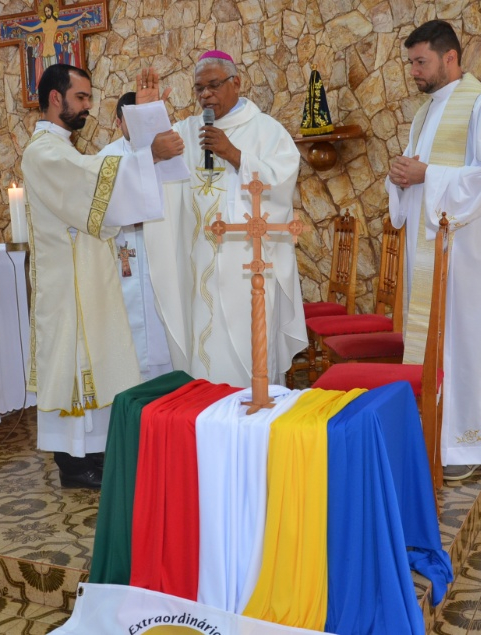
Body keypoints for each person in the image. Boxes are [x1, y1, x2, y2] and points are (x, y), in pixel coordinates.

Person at [21, 64, 183, 488]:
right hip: (67, 283)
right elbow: (94, 186)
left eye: (89, 98)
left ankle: (89, 456)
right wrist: (151, 154)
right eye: (81, 98)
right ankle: (74, 465)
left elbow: (98, 185)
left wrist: (145, 133)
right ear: (56, 99)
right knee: (73, 367)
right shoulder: (44, 152)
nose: (88, 107)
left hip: (82, 274)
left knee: (88, 366)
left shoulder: (62, 150)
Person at [386, 20, 481, 481]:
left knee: (465, 345)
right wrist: (402, 177)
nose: (414, 72)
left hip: (467, 257)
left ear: (450, 58)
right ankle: (431, 438)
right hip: (431, 251)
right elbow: (419, 176)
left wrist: (429, 176)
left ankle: (465, 445)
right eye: (410, 63)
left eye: (420, 62)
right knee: (432, 344)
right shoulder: (424, 114)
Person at [145, 50, 306, 388]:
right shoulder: (186, 132)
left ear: (237, 83)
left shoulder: (265, 130)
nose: (206, 95)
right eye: (199, 88)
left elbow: (283, 180)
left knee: (249, 353)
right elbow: (151, 165)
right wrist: (147, 117)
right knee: (205, 352)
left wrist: (235, 155)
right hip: (198, 264)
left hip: (249, 269)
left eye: (214, 85)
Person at [99, 91, 174, 382]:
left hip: (160, 248)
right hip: (124, 248)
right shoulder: (106, 159)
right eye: (131, 119)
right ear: (119, 122)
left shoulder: (169, 153)